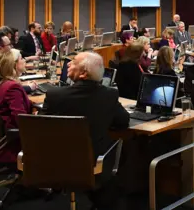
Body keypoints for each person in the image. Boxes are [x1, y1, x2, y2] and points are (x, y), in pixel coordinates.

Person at [41, 52, 129, 210]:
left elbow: (41, 126)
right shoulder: (109, 95)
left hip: (54, 160)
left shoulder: (54, 95)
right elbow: (123, 122)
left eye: (73, 62)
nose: (68, 64)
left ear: (83, 73)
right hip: (93, 163)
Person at [0, 50, 33, 164]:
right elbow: (21, 120)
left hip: (3, 141)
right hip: (14, 145)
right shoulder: (12, 87)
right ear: (14, 64)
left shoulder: (4, 83)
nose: (24, 60)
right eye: (22, 58)